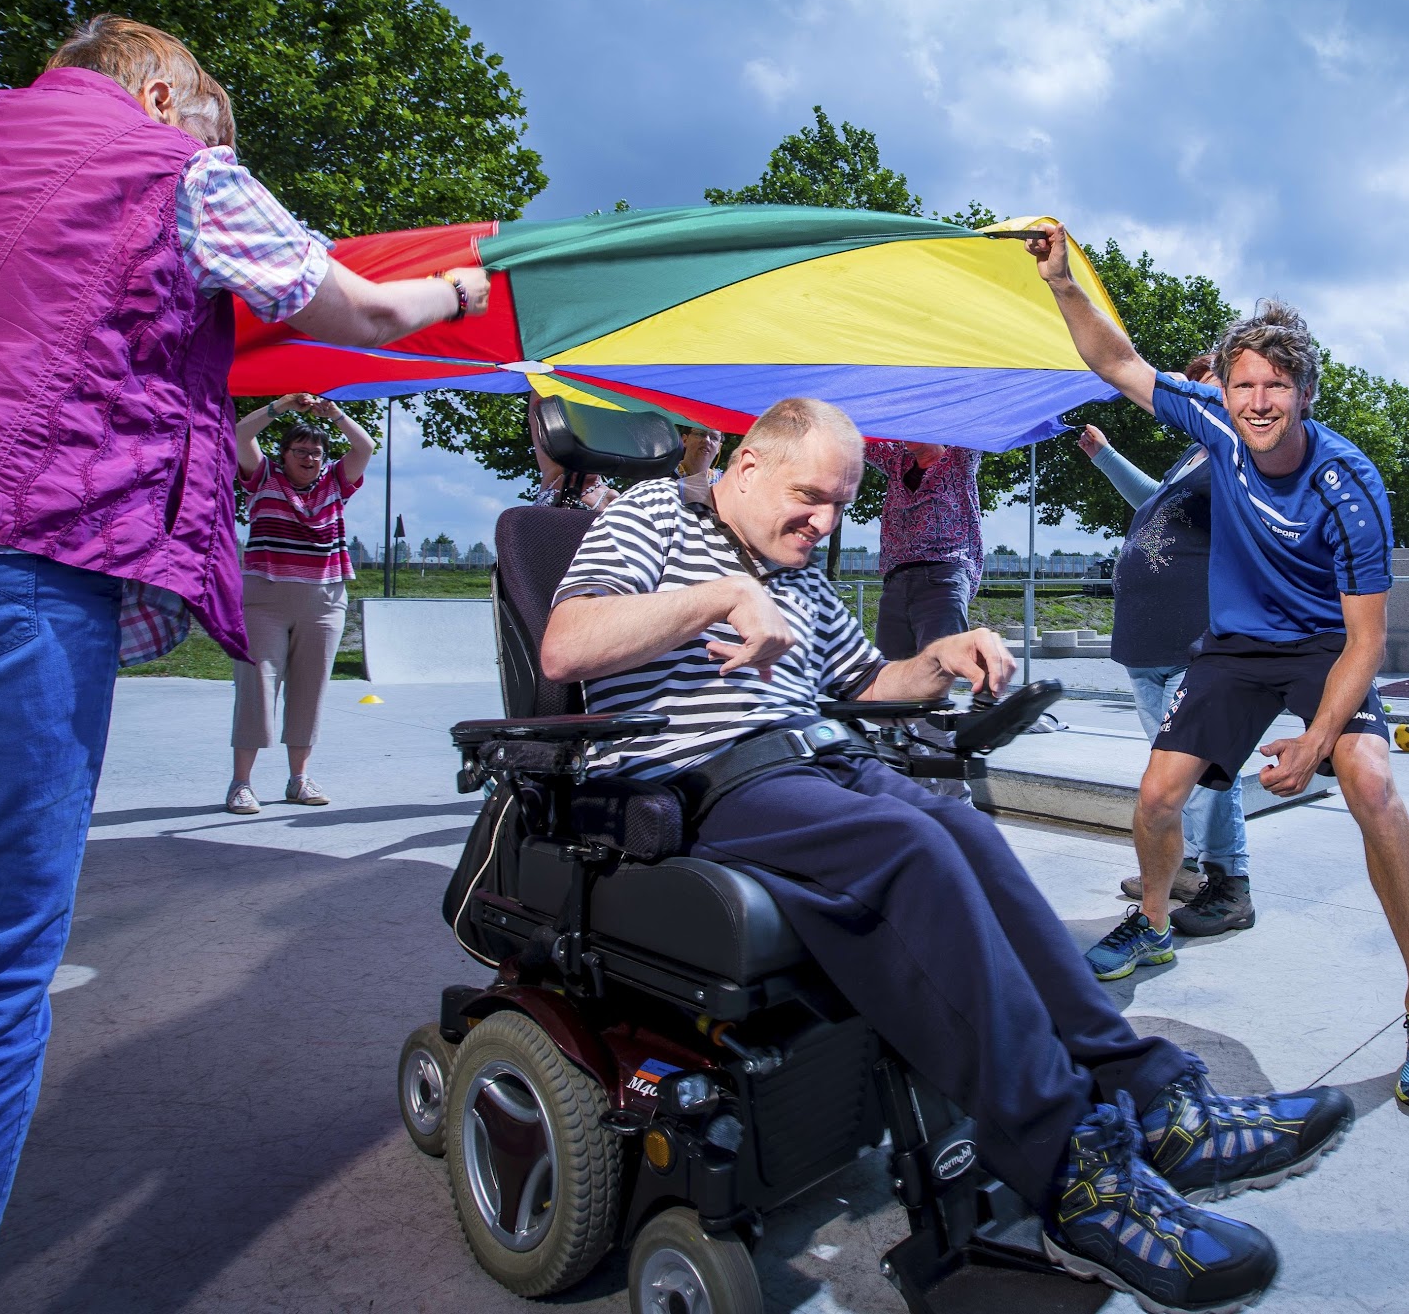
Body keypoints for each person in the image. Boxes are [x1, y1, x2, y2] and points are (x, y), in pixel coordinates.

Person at [0, 14, 492, 1314]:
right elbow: (367, 303)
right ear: (163, 88)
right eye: (214, 122)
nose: (217, 148)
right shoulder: (168, 165)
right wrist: (465, 284)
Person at [540, 397, 1351, 1314]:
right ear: (748, 467)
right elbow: (567, 644)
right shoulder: (650, 515)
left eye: (843, 504)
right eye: (811, 497)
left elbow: (870, 684)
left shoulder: (801, 568)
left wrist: (946, 655)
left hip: (821, 760)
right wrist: (719, 598)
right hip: (705, 775)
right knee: (913, 842)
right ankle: (1069, 1164)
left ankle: (1152, 1096)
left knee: (965, 829)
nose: (828, 522)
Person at [1030, 224, 1409, 1113]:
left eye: (1276, 385)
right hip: (1232, 645)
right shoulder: (1214, 429)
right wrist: (1064, 284)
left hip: (1321, 648)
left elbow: (1365, 641)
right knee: (1157, 796)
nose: (1259, 401)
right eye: (1243, 385)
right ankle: (1154, 924)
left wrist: (1316, 740)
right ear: (1222, 390)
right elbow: (1118, 362)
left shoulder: (1350, 485)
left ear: (1304, 391)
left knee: (1373, 783)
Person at [1077, 391, 1254, 938]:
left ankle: (1230, 886)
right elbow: (1156, 505)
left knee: (1201, 771)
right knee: (1169, 775)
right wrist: (1106, 456)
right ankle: (1190, 870)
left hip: (1194, 643)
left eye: (1205, 387)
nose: (1188, 397)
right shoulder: (1193, 456)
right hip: (1146, 646)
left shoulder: (1240, 456)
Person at [226, 394, 375, 813]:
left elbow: (364, 448)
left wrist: (337, 414)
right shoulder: (263, 477)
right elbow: (239, 434)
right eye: (300, 451)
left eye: (316, 452)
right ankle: (241, 783)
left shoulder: (336, 483)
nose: (309, 458)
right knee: (257, 688)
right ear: (284, 454)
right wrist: (283, 406)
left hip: (324, 601)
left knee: (310, 692)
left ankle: (299, 779)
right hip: (264, 601)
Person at [866, 437, 983, 656]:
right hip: (897, 579)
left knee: (936, 668)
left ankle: (987, 687)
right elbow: (856, 436)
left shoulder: (958, 461)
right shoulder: (896, 460)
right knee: (892, 672)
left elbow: (977, 421)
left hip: (943, 575)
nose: (907, 434)